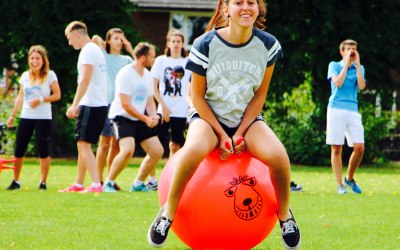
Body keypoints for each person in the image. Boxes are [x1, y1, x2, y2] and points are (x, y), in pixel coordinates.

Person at [147, 1, 301, 249]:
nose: (245, 7)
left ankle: (285, 216)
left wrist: (239, 133)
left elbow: (260, 95)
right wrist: (221, 134)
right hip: (207, 117)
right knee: (194, 149)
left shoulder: (269, 45)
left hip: (246, 120)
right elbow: (196, 96)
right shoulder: (205, 44)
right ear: (225, 9)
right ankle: (168, 213)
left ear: (259, 8)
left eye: (251, 2)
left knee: (279, 156)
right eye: (238, 2)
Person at [102, 42, 164, 193]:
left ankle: (138, 184)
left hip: (140, 118)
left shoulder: (148, 76)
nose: (153, 60)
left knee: (157, 151)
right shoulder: (125, 74)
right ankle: (109, 183)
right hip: (121, 117)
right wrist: (146, 119)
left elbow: (149, 101)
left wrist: (154, 116)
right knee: (128, 150)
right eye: (152, 56)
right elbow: (126, 104)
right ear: (143, 58)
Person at [60, 21, 108, 193]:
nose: (69, 42)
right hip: (97, 104)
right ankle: (79, 183)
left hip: (92, 104)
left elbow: (85, 80)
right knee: (83, 144)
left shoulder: (88, 51)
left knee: (83, 144)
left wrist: (74, 105)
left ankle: (96, 185)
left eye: (69, 38)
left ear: (76, 34)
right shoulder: (95, 49)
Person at [6, 45, 61, 190]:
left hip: (43, 117)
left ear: (43, 60)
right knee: (19, 149)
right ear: (29, 60)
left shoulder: (50, 75)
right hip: (26, 116)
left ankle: (43, 183)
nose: (34, 60)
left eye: (37, 58)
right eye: (32, 58)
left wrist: (41, 100)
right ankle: (16, 181)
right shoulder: (25, 75)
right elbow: (20, 97)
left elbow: (57, 95)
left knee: (43, 150)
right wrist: (12, 115)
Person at [92, 28, 134, 191]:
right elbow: (95, 37)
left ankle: (110, 180)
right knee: (104, 144)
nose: (119, 41)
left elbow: (141, 65)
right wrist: (105, 43)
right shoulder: (104, 55)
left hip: (121, 106)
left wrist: (130, 48)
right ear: (109, 41)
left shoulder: (126, 59)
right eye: (116, 38)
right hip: (107, 103)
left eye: (121, 39)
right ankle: (99, 180)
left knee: (116, 146)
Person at [149, 29, 192, 191]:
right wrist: (164, 107)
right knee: (154, 145)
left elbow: (191, 88)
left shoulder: (188, 63)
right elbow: (154, 88)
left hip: (181, 111)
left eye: (178, 42)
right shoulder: (161, 61)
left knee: (175, 146)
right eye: (173, 41)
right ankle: (151, 178)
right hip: (163, 109)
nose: (175, 44)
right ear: (168, 43)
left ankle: (170, 177)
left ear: (182, 44)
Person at [326, 39, 366, 194]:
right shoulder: (334, 65)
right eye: (349, 49)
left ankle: (349, 178)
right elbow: (338, 83)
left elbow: (362, 86)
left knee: (359, 147)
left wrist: (356, 65)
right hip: (336, 109)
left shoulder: (359, 67)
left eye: (354, 48)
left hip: (352, 110)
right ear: (342, 51)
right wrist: (346, 64)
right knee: (336, 147)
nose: (352, 51)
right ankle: (339, 185)